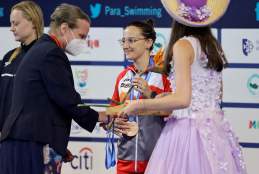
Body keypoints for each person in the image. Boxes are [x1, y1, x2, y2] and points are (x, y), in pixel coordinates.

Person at [118, 0, 247, 173]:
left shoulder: (183, 45)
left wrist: (140, 104)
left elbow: (183, 99)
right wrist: (164, 97)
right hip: (215, 132)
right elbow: (216, 96)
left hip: (187, 131)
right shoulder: (213, 47)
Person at [0, 3, 107, 174]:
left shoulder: (39, 49)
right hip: (31, 143)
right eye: (81, 35)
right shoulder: (51, 52)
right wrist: (102, 117)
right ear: (64, 28)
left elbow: (42, 101)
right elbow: (67, 99)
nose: (83, 42)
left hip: (22, 141)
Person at [107, 19, 171, 174]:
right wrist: (110, 123)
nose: (125, 46)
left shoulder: (165, 75)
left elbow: (175, 114)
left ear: (148, 43)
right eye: (123, 41)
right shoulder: (123, 76)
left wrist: (151, 95)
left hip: (157, 160)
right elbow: (112, 112)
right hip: (125, 160)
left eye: (131, 40)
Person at [0, 0, 44, 154]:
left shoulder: (47, 57)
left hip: (32, 143)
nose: (11, 28)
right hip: (6, 141)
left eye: (16, 23)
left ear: (33, 22)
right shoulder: (8, 58)